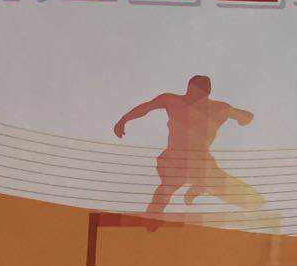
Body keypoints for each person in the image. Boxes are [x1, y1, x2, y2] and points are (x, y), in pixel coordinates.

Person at [113, 76, 273, 226]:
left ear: (206, 95)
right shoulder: (173, 100)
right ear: (188, 89)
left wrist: (240, 117)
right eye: (193, 94)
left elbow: (247, 117)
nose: (195, 101)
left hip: (201, 162)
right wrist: (123, 120)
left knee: (222, 184)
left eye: (199, 96)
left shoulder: (218, 108)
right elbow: (146, 107)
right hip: (175, 159)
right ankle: (154, 216)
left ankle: (252, 203)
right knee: (168, 186)